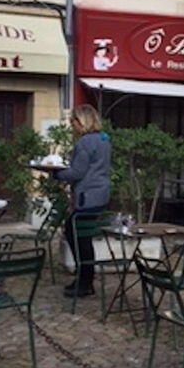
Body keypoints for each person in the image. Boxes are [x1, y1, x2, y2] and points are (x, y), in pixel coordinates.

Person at [53, 104, 112, 298]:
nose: (71, 125)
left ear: (82, 122)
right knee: (84, 238)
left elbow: (77, 172)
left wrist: (56, 173)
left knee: (76, 236)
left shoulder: (85, 142)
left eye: (73, 121)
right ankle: (85, 279)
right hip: (100, 195)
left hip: (87, 196)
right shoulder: (104, 139)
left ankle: (84, 282)